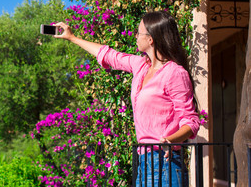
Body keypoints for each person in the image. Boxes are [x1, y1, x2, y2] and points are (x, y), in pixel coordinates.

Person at [53, 11, 200, 187]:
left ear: (151, 39)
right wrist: (72, 38)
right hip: (144, 159)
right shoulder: (141, 66)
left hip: (165, 162)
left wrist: (171, 140)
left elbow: (191, 121)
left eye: (139, 33)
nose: (136, 36)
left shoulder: (174, 73)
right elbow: (108, 55)